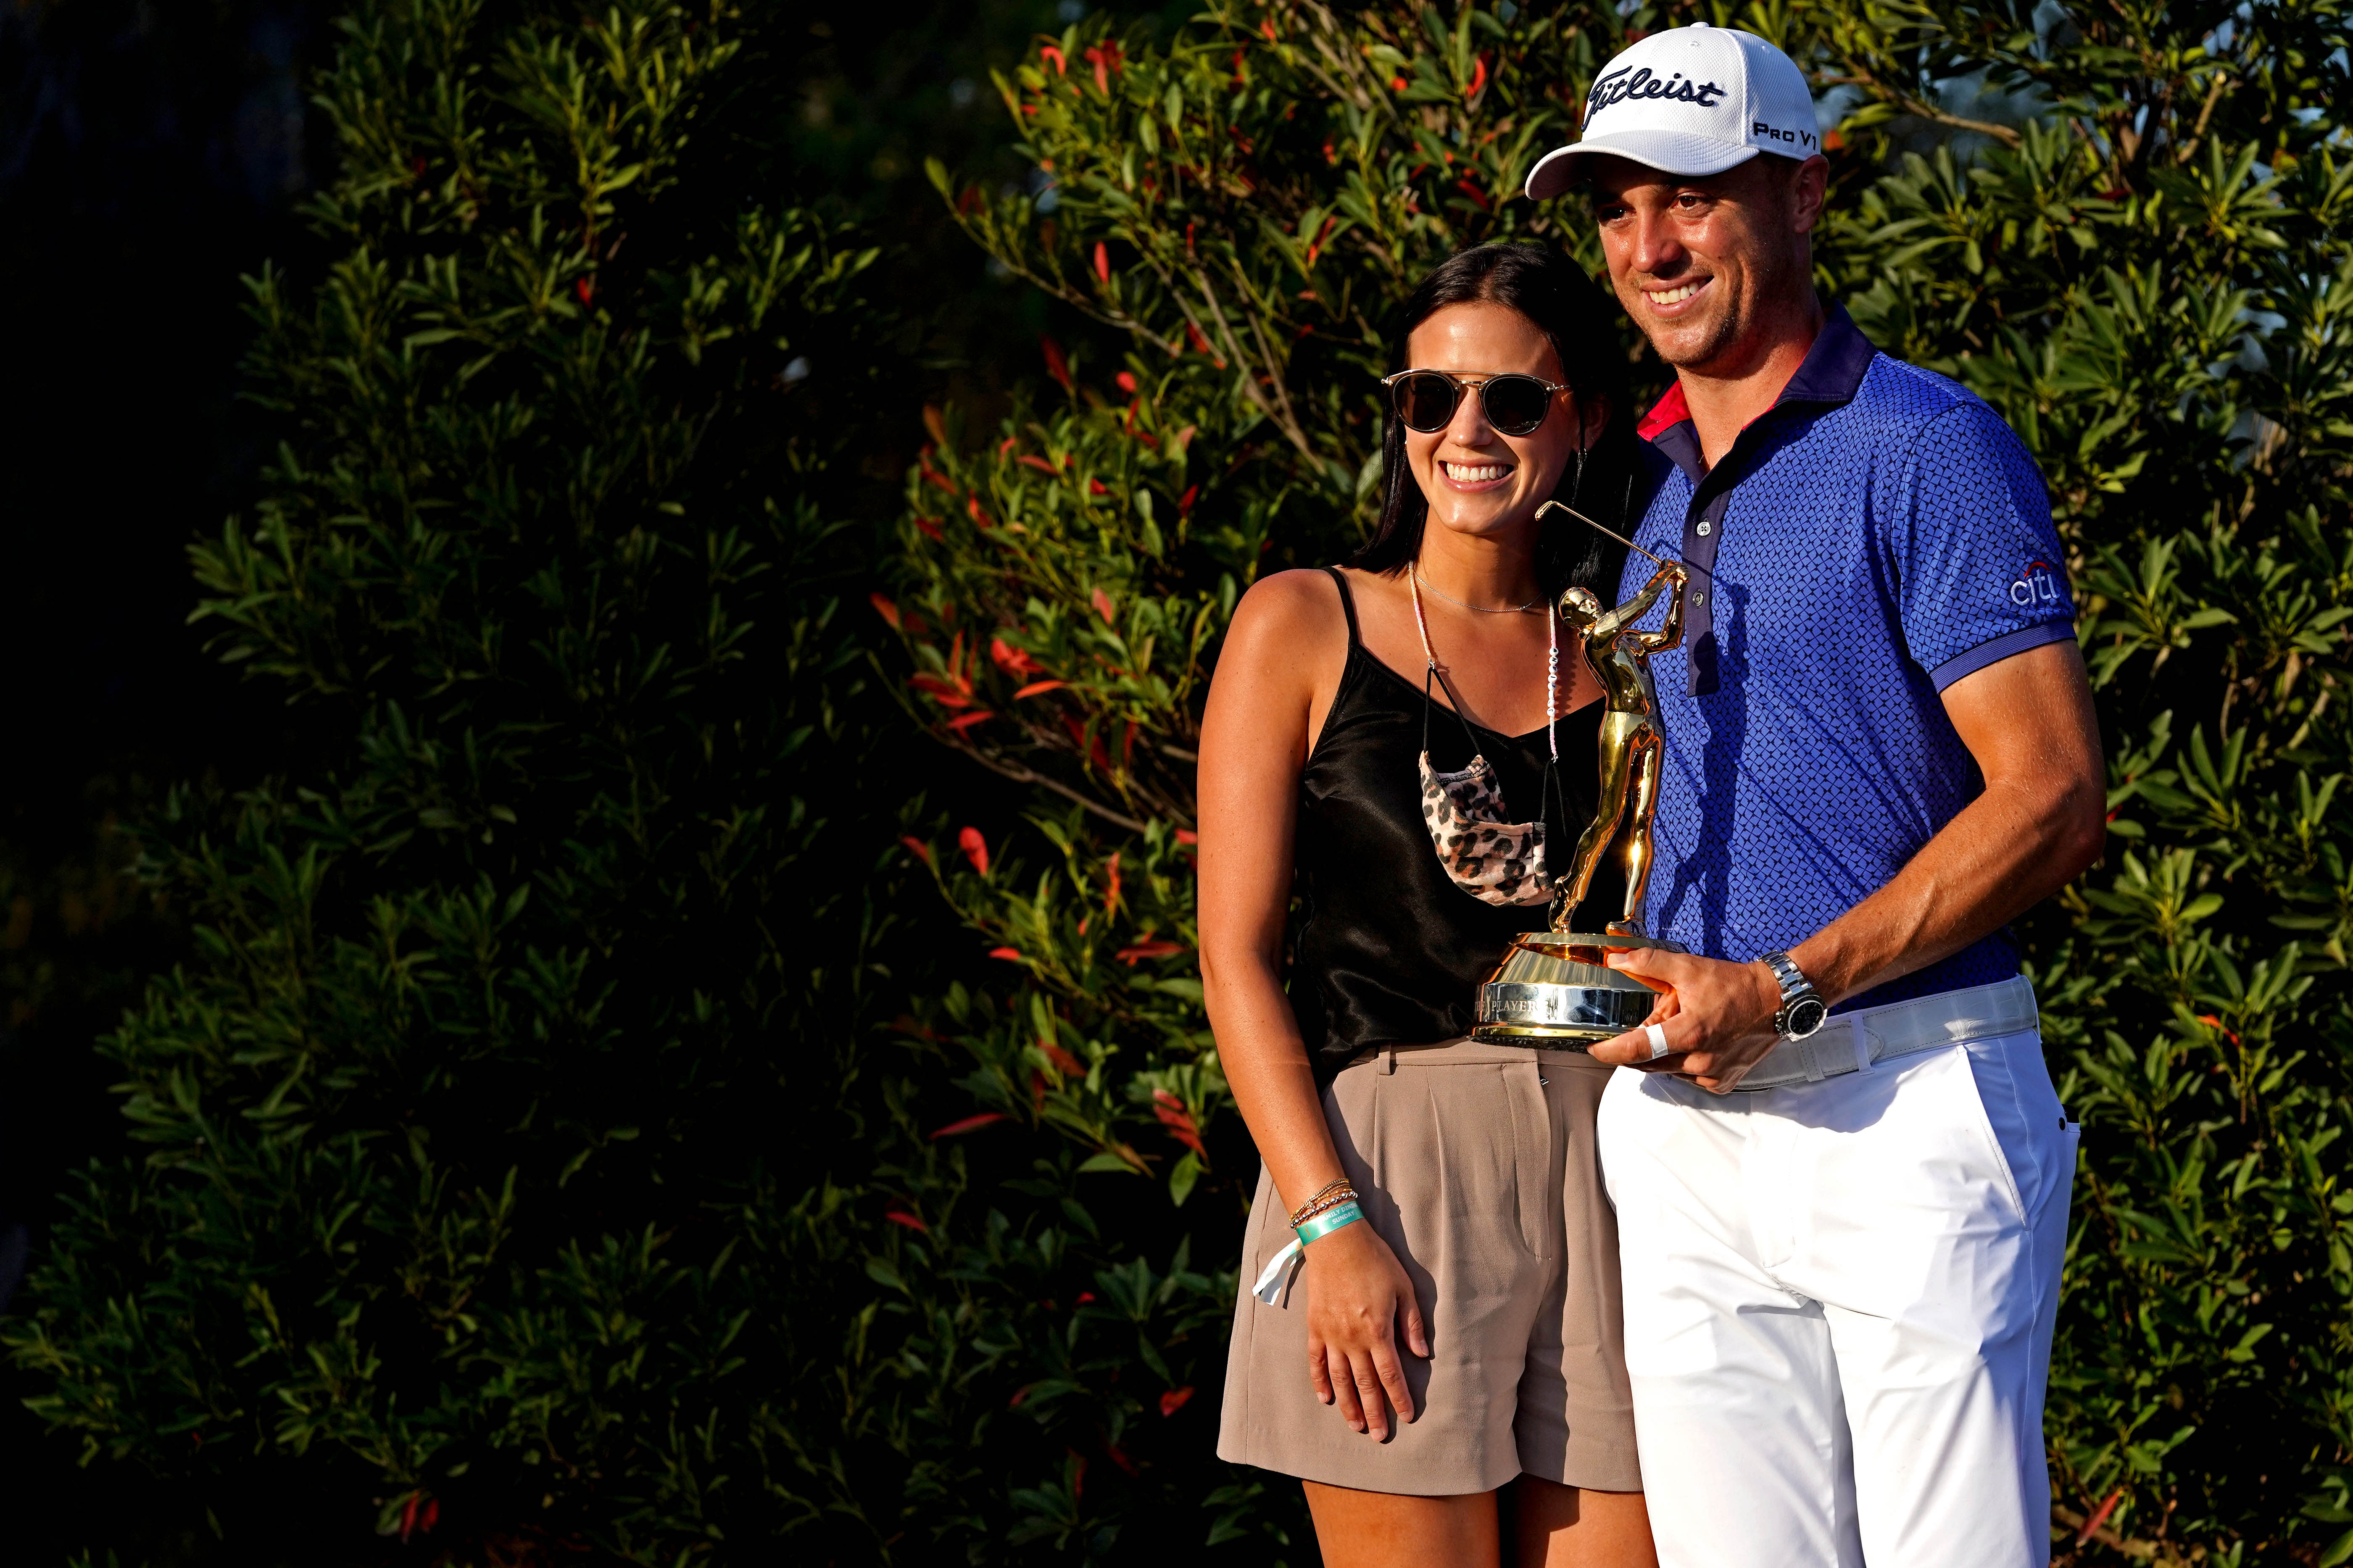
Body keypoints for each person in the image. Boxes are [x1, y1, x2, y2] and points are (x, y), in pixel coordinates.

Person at [1520, 24, 2107, 1568]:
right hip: (1682, 1121)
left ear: (1803, 194)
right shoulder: (1625, 477)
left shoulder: (1932, 444)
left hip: (1905, 1096)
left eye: (1692, 196)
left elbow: (2051, 794)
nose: (1648, 246)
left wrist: (1785, 987)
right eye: (1617, 207)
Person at [1200, 242, 1659, 1568]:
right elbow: (1234, 958)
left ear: (1579, 422)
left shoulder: (1630, 655)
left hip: (1616, 1161)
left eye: (1512, 400)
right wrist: (1326, 1221)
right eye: (1430, 396)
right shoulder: (1300, 620)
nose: (1466, 430)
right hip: (1385, 1168)